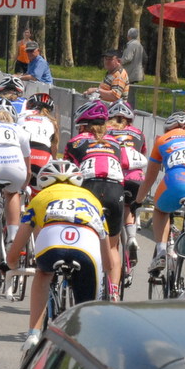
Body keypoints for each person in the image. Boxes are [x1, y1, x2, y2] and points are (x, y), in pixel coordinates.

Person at [6, 160, 105, 353]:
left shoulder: (40, 197)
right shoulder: (92, 199)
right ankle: (84, 343)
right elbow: (107, 249)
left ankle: (33, 334)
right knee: (87, 307)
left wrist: (11, 263)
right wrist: (107, 271)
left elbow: (20, 240)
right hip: (87, 244)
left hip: (52, 239)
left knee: (43, 274)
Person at [133, 112, 185, 277]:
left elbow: (150, 178)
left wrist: (138, 201)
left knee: (161, 209)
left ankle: (161, 251)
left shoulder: (163, 140)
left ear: (168, 128)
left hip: (176, 183)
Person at [63, 100, 129, 301]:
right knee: (112, 247)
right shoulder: (117, 142)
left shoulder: (75, 142)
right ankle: (115, 291)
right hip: (114, 190)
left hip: (89, 189)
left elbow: (67, 172)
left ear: (83, 126)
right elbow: (125, 163)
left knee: (83, 241)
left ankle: (81, 280)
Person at [105, 100, 147, 265]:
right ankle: (132, 238)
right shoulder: (138, 133)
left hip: (113, 177)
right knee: (129, 206)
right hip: (136, 179)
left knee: (110, 209)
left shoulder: (105, 131)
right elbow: (143, 155)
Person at [0, 101, 32, 246]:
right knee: (12, 193)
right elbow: (28, 170)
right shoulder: (20, 129)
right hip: (15, 168)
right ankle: (12, 235)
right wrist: (23, 187)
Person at [18, 92, 59, 171]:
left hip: (23, 150)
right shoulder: (52, 121)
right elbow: (54, 146)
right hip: (43, 153)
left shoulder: (21, 115)